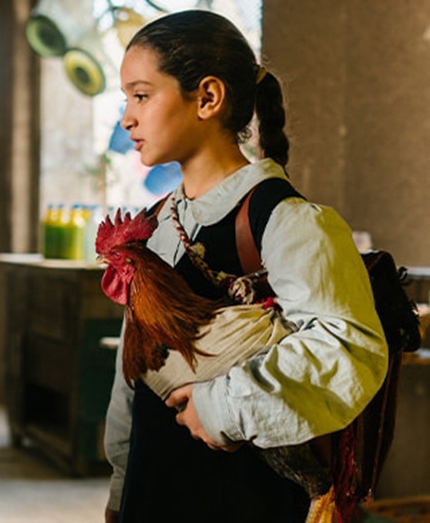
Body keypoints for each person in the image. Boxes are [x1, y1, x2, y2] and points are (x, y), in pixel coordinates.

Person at [102, 10, 387, 522]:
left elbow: (348, 347)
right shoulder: (156, 225)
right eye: (126, 99)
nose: (127, 118)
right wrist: (121, 484)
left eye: (141, 96)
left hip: (244, 498)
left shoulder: (285, 221)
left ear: (207, 98)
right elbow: (134, 378)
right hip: (155, 489)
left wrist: (220, 408)